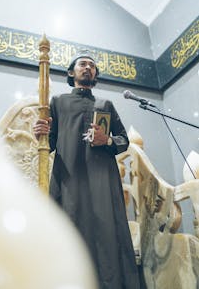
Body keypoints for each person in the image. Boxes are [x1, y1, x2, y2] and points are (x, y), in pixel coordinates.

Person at [34, 50, 140, 289]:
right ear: (72, 73)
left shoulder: (106, 105)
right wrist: (39, 133)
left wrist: (108, 141)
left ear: (95, 75)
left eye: (92, 66)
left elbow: (124, 139)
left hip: (103, 181)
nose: (88, 68)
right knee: (70, 228)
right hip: (69, 179)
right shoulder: (58, 102)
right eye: (82, 64)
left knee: (106, 232)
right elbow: (49, 144)